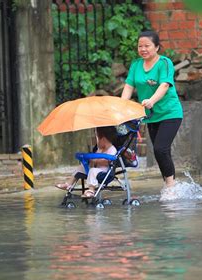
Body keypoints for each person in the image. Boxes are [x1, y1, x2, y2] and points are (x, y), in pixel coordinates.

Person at [121, 30, 183, 189]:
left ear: (156, 47)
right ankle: (171, 184)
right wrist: (120, 107)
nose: (143, 49)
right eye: (140, 46)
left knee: (160, 148)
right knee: (160, 152)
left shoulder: (164, 63)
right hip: (151, 116)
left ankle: (170, 187)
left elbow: (164, 85)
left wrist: (152, 100)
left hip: (170, 113)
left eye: (147, 46)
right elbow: (129, 86)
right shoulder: (135, 65)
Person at [55, 126, 118, 198]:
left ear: (103, 139)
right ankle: (68, 184)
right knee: (81, 167)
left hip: (104, 173)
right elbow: (94, 159)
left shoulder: (112, 149)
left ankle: (91, 190)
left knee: (92, 171)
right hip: (93, 169)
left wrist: (96, 160)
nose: (96, 141)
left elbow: (110, 161)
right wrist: (90, 159)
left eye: (97, 138)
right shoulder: (99, 149)